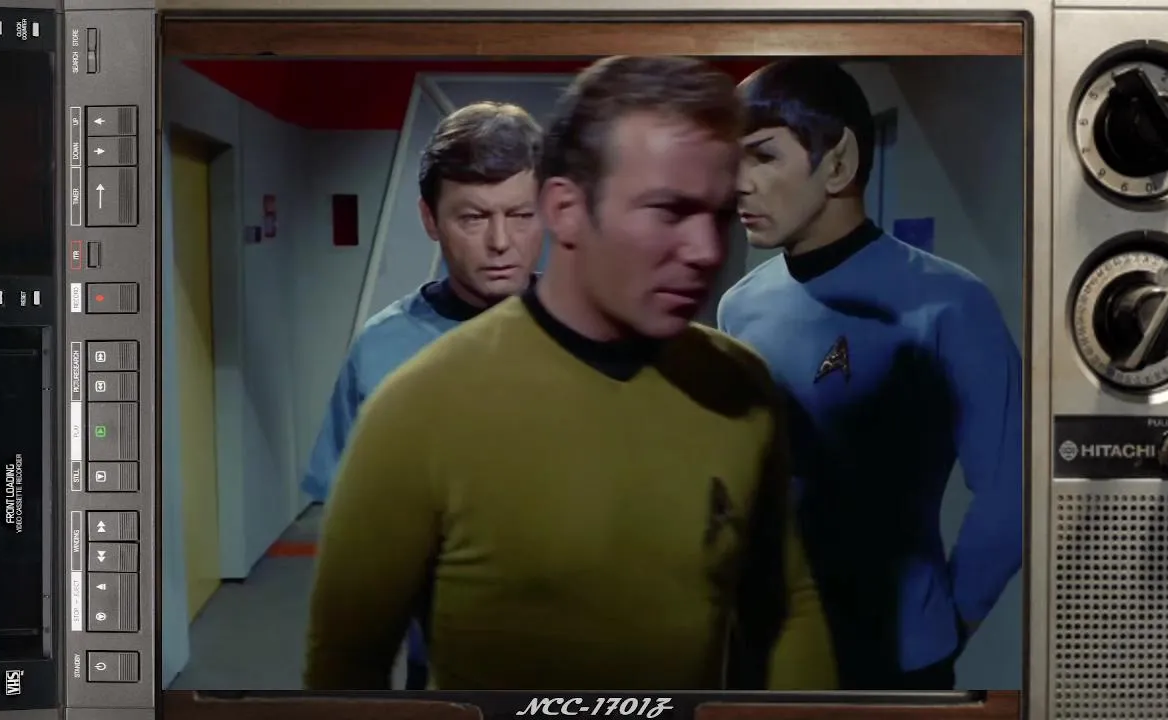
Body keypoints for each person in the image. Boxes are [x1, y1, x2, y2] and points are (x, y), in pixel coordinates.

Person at [304, 55, 838, 692]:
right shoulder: (417, 404)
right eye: (667, 211)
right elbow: (346, 664)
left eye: (718, 214)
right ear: (566, 208)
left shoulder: (741, 384)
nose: (706, 251)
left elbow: (786, 606)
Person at [717, 57, 1023, 691]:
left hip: (897, 661)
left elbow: (1011, 491)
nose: (738, 183)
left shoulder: (949, 303)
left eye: (763, 156)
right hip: (765, 651)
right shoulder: (740, 306)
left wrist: (952, 621)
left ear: (838, 163)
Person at [302, 101, 545, 689]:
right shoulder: (382, 348)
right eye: (473, 218)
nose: (501, 242)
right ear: (430, 219)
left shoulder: (596, 335)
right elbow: (350, 532)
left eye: (521, 214)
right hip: (439, 664)